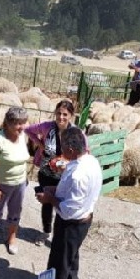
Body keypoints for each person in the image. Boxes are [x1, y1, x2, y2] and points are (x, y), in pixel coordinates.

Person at [31, 127, 102, 279]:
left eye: (62, 147)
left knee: (59, 259)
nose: (60, 150)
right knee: (72, 252)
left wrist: (49, 199)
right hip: (84, 219)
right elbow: (73, 194)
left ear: (71, 150)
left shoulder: (78, 175)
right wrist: (55, 190)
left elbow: (68, 210)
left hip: (71, 223)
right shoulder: (91, 161)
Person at [24, 99, 85, 246]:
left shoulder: (76, 133)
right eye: (58, 113)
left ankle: (59, 236)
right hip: (46, 173)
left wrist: (70, 162)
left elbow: (85, 151)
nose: (61, 117)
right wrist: (39, 143)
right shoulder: (47, 127)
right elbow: (28, 130)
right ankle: (46, 231)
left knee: (63, 205)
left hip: (66, 176)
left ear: (71, 115)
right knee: (47, 203)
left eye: (65, 114)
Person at [0, 107, 30, 255]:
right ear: (7, 123)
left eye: (23, 122)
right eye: (17, 123)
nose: (21, 127)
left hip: (20, 183)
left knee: (15, 211)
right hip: (2, 184)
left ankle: (11, 237)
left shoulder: (23, 136)